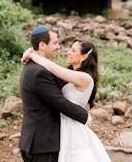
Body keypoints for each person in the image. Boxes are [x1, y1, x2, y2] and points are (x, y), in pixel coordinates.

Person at [22, 37, 112, 162]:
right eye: (70, 49)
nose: (68, 52)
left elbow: (52, 68)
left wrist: (32, 55)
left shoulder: (85, 78)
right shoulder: (70, 76)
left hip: (73, 129)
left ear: (84, 57)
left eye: (73, 50)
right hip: (62, 127)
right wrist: (30, 51)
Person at [19, 26, 90, 162]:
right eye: (55, 43)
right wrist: (85, 116)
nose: (59, 47)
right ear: (42, 45)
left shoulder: (32, 66)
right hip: (43, 145)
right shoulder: (40, 72)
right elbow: (60, 103)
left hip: (36, 142)